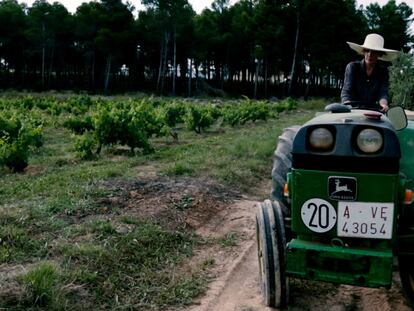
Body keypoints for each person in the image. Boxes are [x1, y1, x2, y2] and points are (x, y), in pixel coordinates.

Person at [341, 33, 399, 112]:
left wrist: (383, 104)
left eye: (374, 52)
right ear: (364, 51)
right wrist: (347, 104)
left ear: (379, 54)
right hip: (352, 110)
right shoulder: (353, 67)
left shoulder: (383, 72)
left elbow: (383, 93)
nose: (370, 54)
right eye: (367, 50)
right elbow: (346, 91)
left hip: (371, 111)